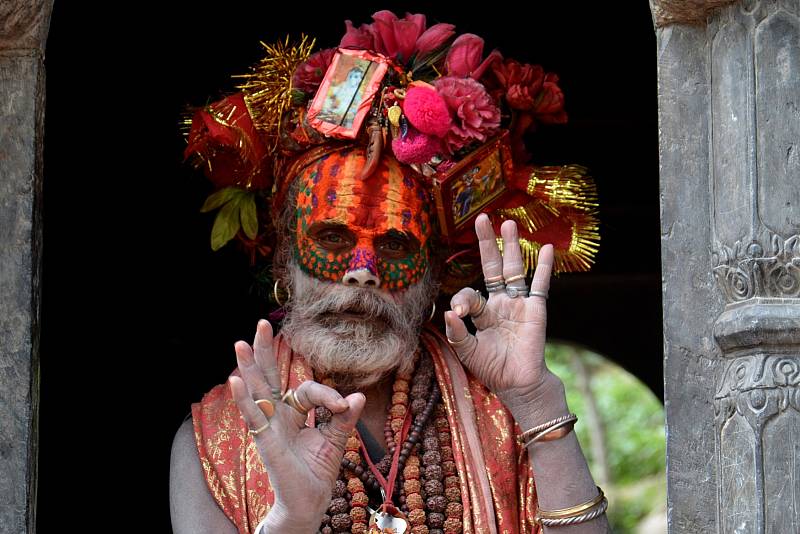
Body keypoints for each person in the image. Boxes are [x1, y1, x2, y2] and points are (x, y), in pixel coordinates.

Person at [170, 10, 604, 534]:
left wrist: (535, 401)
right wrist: (292, 519)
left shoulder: (503, 408)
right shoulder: (214, 438)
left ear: (431, 276)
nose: (362, 273)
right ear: (285, 255)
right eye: (332, 237)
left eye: (396, 246)